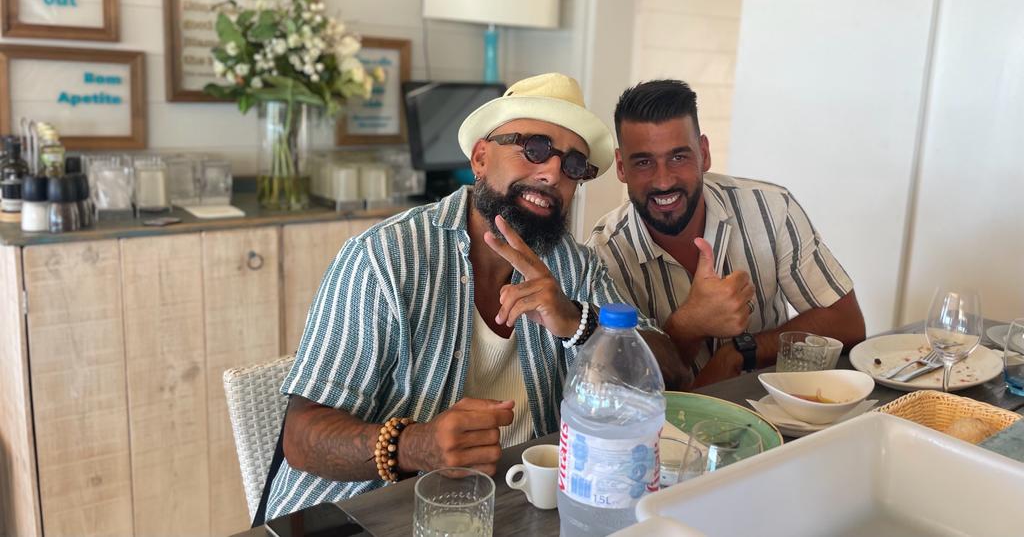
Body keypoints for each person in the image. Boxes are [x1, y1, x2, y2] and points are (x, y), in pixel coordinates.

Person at [266, 73, 685, 519]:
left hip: (513, 506)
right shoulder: (387, 258)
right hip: (360, 515)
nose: (551, 173)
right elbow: (302, 437)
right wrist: (415, 445)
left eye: (573, 164)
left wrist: (576, 321)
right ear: (481, 158)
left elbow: (668, 371)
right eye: (535, 148)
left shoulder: (575, 266)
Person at [587, 80, 865, 387]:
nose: (664, 181)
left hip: (771, 408)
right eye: (644, 162)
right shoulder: (602, 256)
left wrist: (740, 352)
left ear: (704, 153)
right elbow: (617, 387)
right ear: (621, 167)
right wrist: (689, 325)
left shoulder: (772, 208)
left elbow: (847, 323)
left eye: (679, 157)